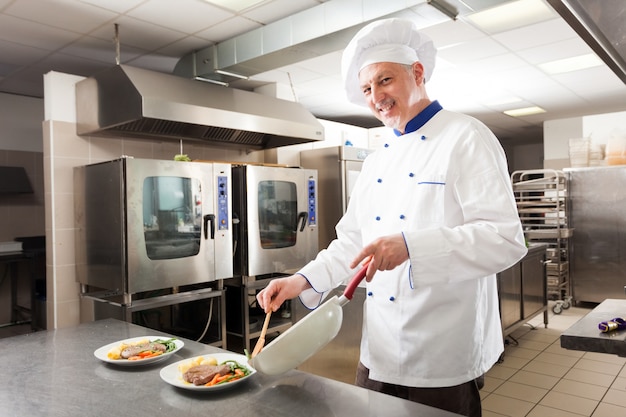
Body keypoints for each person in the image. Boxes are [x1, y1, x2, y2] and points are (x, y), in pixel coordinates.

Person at [256, 18, 527, 417]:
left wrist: (410, 247)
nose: (376, 97)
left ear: (417, 73)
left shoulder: (467, 137)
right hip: (377, 352)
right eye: (367, 89)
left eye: (385, 80)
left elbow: (503, 238)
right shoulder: (378, 158)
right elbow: (352, 242)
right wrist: (301, 280)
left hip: (442, 356)